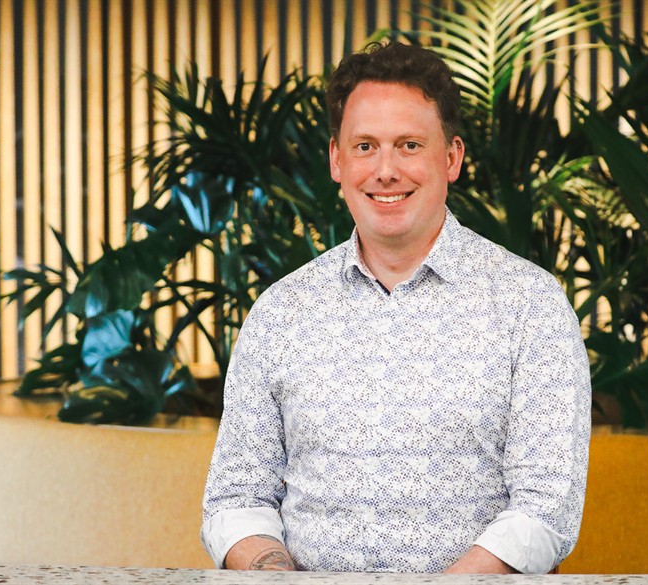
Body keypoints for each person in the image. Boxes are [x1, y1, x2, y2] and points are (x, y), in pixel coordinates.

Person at [200, 41, 591, 574]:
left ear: (451, 158)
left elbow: (546, 508)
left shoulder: (530, 306)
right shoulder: (280, 313)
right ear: (337, 160)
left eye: (409, 145)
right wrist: (273, 571)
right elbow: (235, 499)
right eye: (365, 146)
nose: (385, 170)